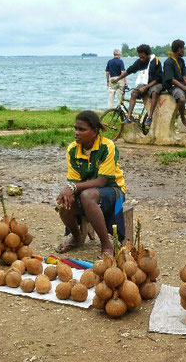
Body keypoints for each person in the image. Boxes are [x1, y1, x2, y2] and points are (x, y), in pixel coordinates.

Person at [56, 110, 127, 257]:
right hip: (86, 193)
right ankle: (77, 238)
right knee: (64, 201)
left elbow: (102, 181)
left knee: (87, 196)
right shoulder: (72, 150)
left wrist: (73, 187)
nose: (77, 133)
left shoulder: (107, 146)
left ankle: (107, 246)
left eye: (82, 129)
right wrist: (70, 189)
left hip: (114, 190)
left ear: (94, 131)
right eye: (76, 128)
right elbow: (74, 181)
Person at [111, 44, 163, 125]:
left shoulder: (155, 61)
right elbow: (129, 71)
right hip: (145, 82)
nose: (141, 59)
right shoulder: (139, 62)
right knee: (134, 93)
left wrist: (146, 87)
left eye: (143, 57)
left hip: (156, 82)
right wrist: (117, 79)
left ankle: (150, 117)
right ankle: (128, 117)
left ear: (148, 55)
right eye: (140, 57)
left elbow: (158, 78)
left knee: (154, 93)